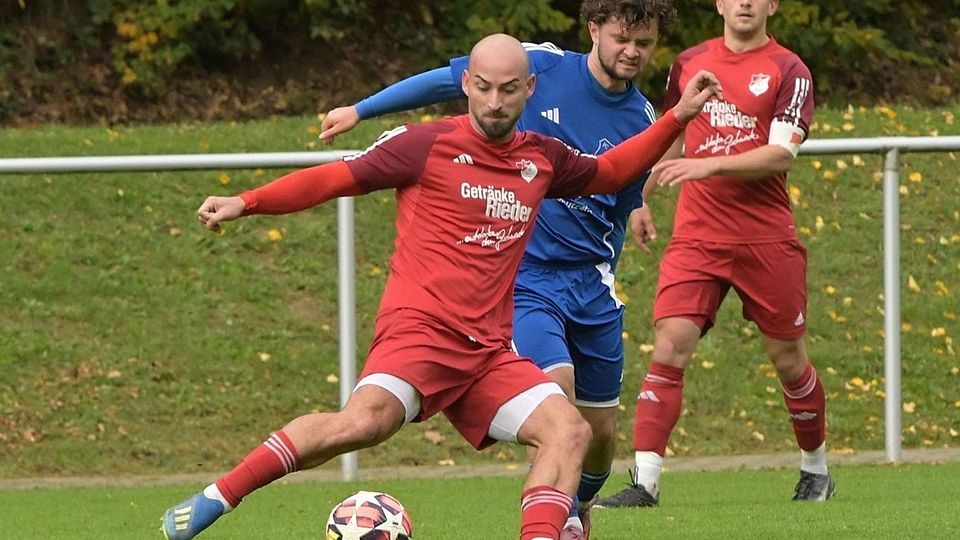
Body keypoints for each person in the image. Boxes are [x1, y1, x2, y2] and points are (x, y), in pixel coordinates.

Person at [159, 33, 720, 540]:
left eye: (507, 90)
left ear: (528, 88)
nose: (494, 103)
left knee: (568, 432)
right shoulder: (423, 145)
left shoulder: (540, 158)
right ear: (465, 85)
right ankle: (215, 498)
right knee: (362, 425)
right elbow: (334, 178)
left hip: (487, 354)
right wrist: (247, 201)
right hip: (420, 336)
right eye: (482, 88)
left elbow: (612, 173)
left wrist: (677, 117)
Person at [318, 2, 677, 537]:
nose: (632, 52)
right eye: (622, 38)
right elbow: (447, 80)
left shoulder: (642, 118)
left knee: (599, 434)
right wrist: (363, 110)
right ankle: (548, 523)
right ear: (595, 30)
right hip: (528, 277)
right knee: (556, 394)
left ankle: (572, 509)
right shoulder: (540, 67)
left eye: (643, 44)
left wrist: (638, 208)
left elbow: (618, 194)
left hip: (593, 283)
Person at [595, 0, 835, 510]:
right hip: (697, 237)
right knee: (669, 345)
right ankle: (646, 482)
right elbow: (672, 135)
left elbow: (782, 152)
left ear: (771, 5)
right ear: (720, 4)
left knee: (788, 360)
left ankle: (816, 469)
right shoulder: (689, 64)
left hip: (765, 238)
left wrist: (710, 166)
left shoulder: (789, 69)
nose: (745, 3)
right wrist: (639, 197)